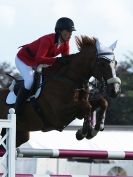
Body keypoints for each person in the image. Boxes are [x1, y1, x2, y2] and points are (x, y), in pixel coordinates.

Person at [15, 17, 76, 116]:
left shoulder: (65, 44)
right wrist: (57, 60)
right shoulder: (47, 40)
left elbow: (66, 61)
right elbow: (39, 59)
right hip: (23, 59)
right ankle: (17, 110)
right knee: (29, 81)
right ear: (60, 31)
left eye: (71, 32)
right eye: (68, 31)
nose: (70, 34)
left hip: (37, 62)